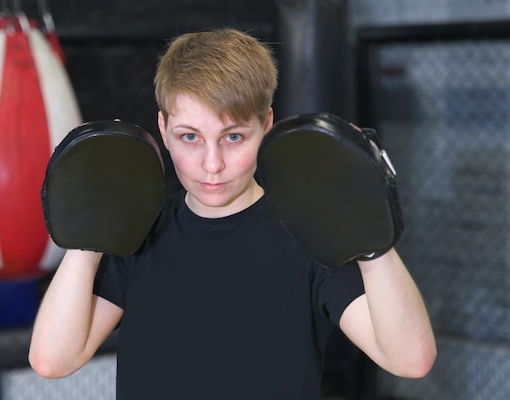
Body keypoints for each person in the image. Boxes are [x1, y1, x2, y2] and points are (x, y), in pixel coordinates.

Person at [29, 28, 436, 399]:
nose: (211, 164)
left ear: (267, 126)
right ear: (163, 128)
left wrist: (370, 237)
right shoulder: (137, 234)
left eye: (233, 137)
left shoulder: (307, 233)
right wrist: (91, 231)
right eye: (190, 137)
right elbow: (53, 361)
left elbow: (410, 361)